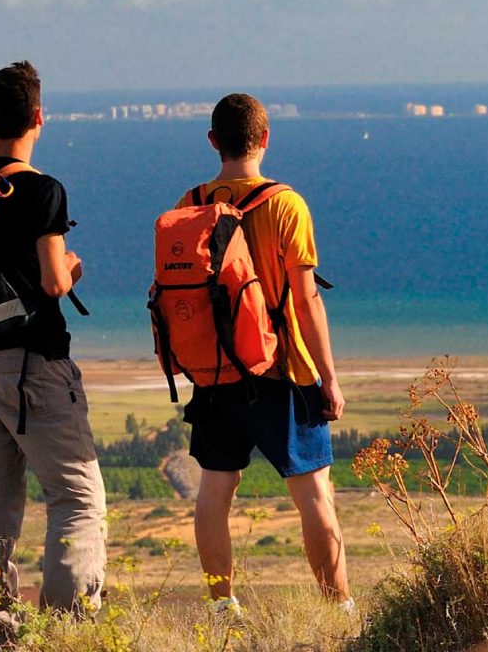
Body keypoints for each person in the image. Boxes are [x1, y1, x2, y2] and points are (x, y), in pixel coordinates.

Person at [179, 93, 351, 615]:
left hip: (215, 372)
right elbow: (306, 298)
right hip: (283, 370)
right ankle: (337, 609)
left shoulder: (191, 203)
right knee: (314, 494)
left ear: (213, 142)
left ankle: (221, 609)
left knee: (215, 490)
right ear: (266, 138)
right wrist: (329, 377)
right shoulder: (285, 204)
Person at [0, 61, 106, 613]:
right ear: (39, 117)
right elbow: (51, 282)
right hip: (34, 368)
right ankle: (64, 632)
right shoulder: (43, 189)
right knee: (77, 500)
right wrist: (71, 267)